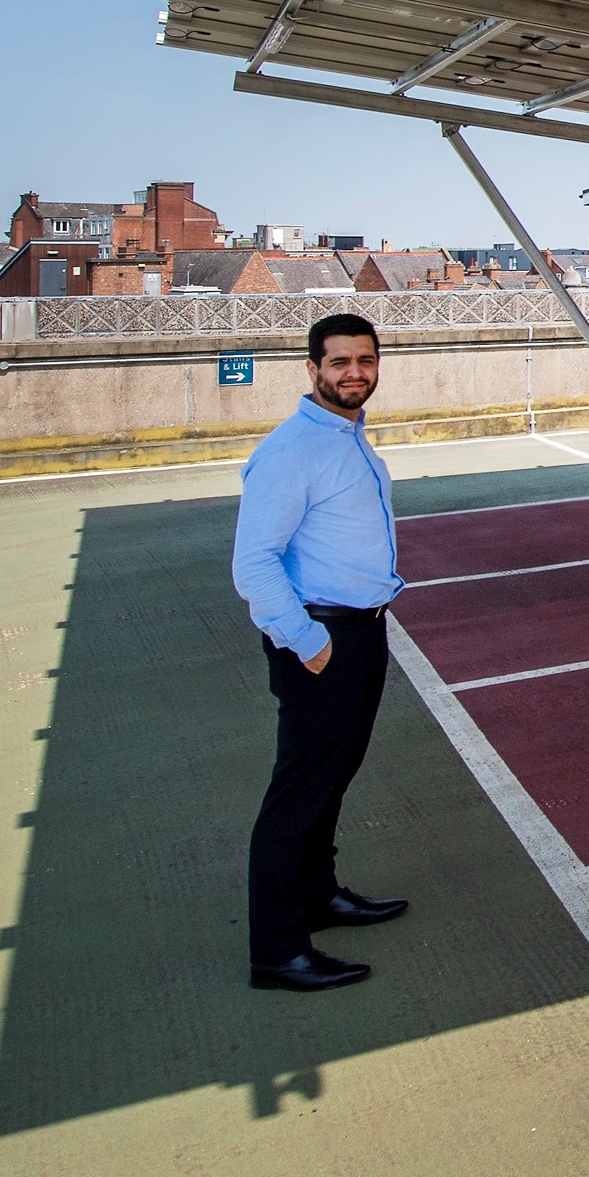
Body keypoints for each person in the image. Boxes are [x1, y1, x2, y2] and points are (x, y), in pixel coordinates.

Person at [228, 311, 412, 992]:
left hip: (361, 631)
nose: (354, 373)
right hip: (322, 639)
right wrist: (310, 646)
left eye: (365, 361)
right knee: (298, 795)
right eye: (340, 363)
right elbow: (255, 565)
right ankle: (278, 950)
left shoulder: (348, 438)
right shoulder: (292, 451)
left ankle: (318, 894)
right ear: (313, 370)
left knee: (332, 778)